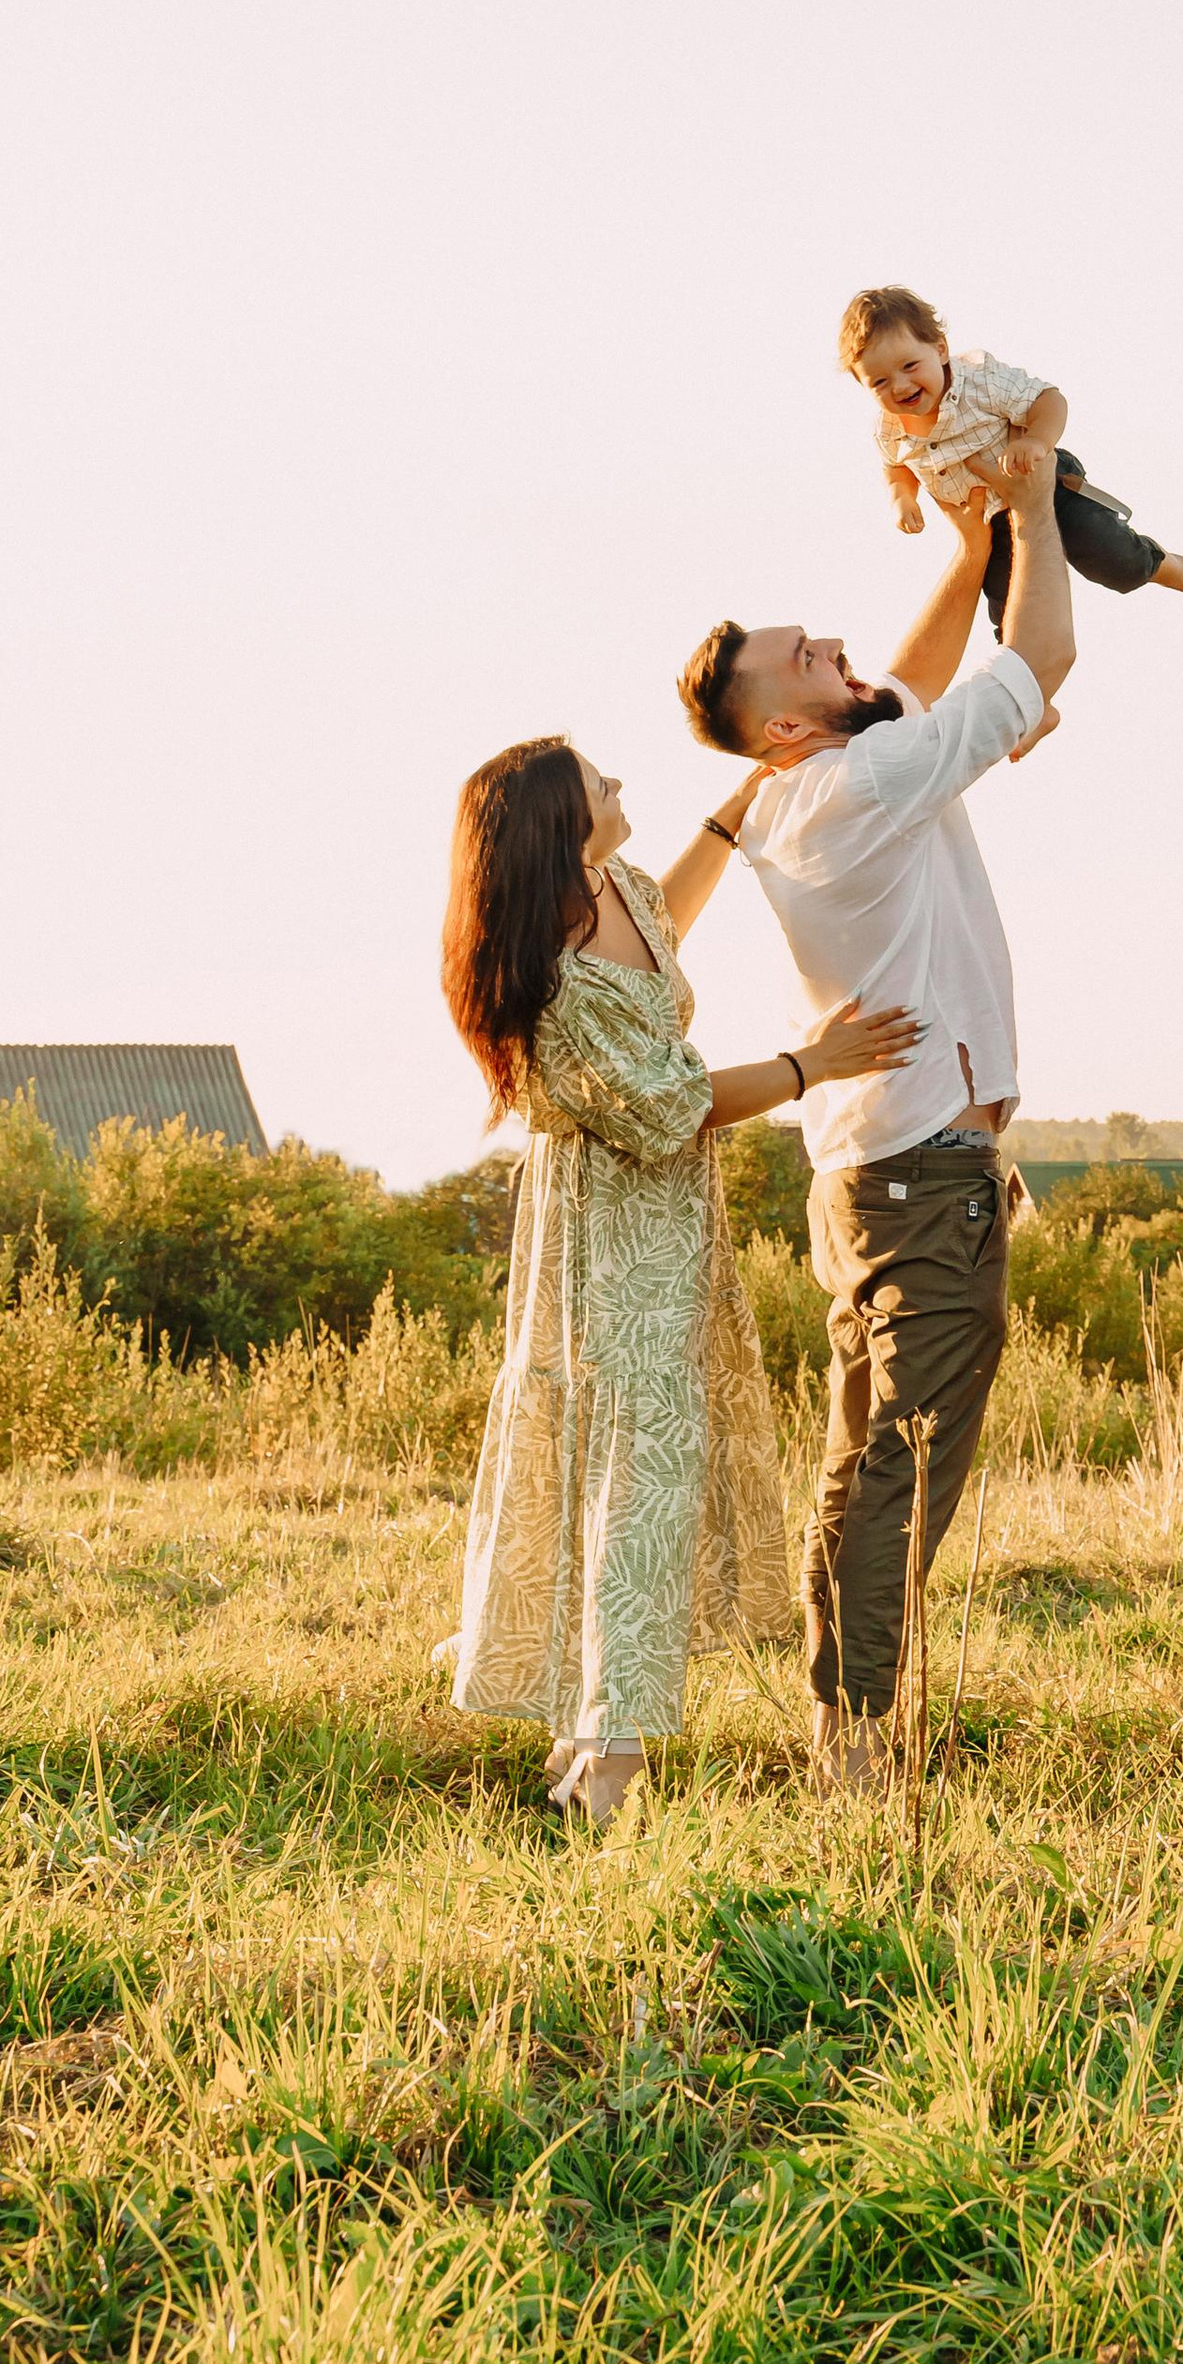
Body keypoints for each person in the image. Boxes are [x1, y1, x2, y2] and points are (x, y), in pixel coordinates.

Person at [674, 456, 1076, 1794]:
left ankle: (846, 1716)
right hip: (918, 1170)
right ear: (784, 725)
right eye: (804, 655)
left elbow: (911, 664)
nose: (834, 645)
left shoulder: (814, 782)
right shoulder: (858, 787)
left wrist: (968, 554)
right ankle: (855, 1736)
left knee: (866, 1456)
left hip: (877, 1170)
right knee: (901, 1460)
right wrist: (1029, 505)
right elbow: (1044, 658)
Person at [440, 733, 919, 1824]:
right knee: (635, 1494)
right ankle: (611, 1762)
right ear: (563, 822)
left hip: (668, 1237)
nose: (619, 786)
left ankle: (588, 1734)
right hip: (612, 1252)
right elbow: (670, 1108)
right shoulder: (557, 985)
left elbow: (672, 912)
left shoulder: (613, 890)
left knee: (636, 1486)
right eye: (600, 784)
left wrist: (740, 805)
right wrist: (813, 1067)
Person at [840, 283, 1183, 666]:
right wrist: (902, 499)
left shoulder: (979, 380)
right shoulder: (888, 430)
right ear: (862, 384)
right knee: (1010, 612)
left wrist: (1036, 440)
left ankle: (1168, 567)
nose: (901, 385)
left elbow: (1048, 399)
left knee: (1112, 557)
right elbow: (897, 466)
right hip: (994, 525)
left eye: (909, 366)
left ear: (940, 349)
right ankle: (1026, 687)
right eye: (880, 382)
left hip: (1048, 487)